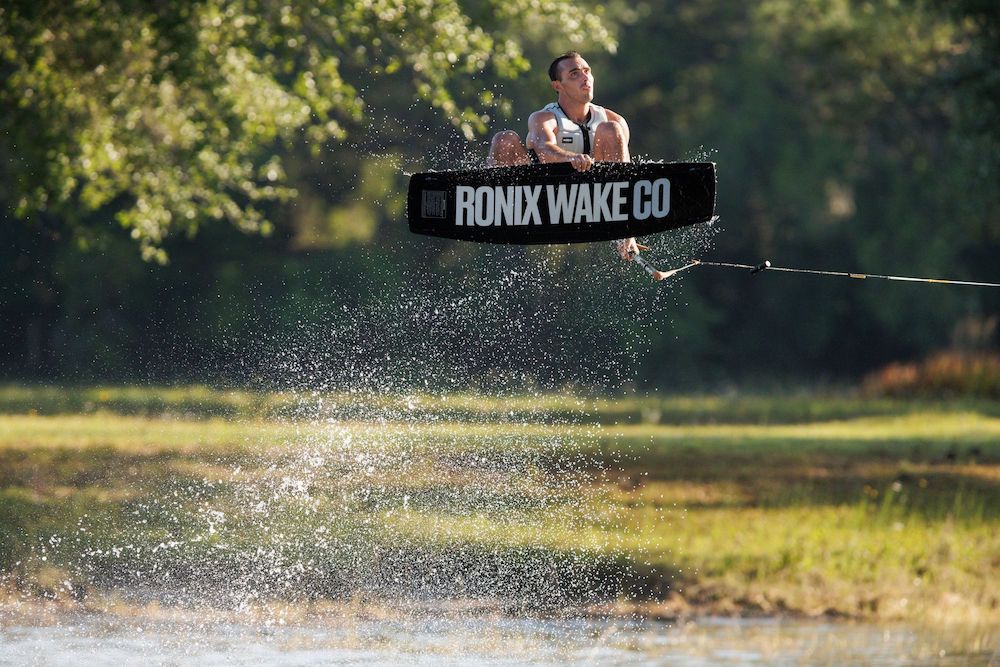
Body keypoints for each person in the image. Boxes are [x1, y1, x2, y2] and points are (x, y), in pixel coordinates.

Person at [486, 52, 645, 260]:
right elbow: (544, 148)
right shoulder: (544, 118)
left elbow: (625, 173)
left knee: (612, 129)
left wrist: (630, 233)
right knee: (503, 139)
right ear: (557, 86)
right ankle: (493, 208)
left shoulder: (613, 120)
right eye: (574, 74)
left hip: (590, 200)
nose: (584, 77)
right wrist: (571, 158)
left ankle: (623, 232)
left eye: (587, 71)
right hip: (539, 200)